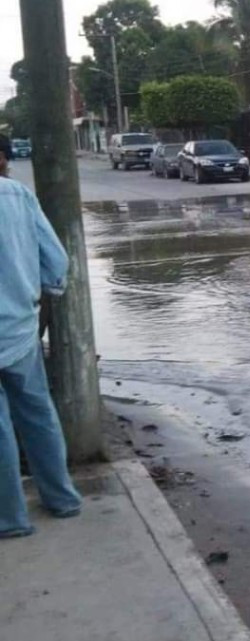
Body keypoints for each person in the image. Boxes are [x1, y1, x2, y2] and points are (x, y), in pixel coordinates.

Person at [0, 138, 83, 539]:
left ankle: (11, 519)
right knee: (37, 414)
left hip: (16, 327)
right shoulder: (18, 196)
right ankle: (62, 499)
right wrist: (44, 293)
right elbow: (57, 260)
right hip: (18, 328)